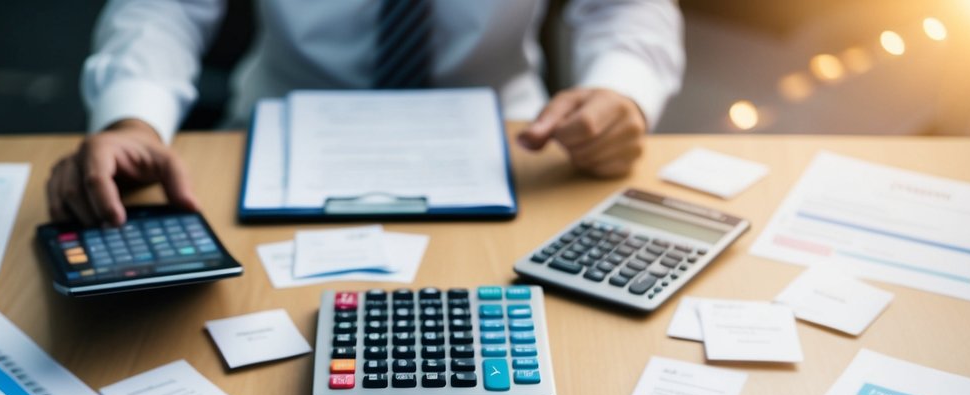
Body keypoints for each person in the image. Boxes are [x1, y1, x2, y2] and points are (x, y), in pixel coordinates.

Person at [47, 0, 685, 226]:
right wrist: (133, 117)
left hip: (514, 151)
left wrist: (622, 89)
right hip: (273, 141)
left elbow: (625, 6)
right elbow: (162, 7)